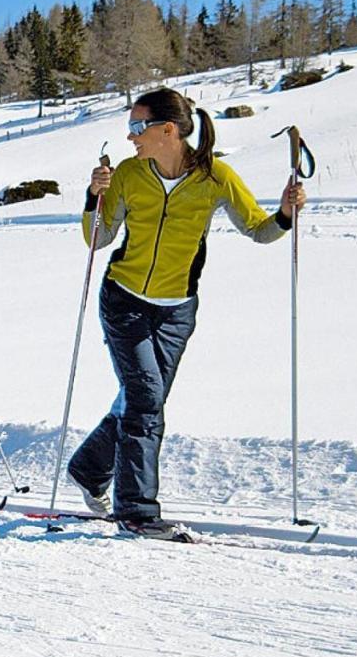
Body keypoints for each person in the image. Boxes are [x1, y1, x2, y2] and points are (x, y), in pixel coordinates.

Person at [67, 87, 306, 539]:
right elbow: (97, 240)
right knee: (144, 402)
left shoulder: (215, 177)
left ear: (168, 130)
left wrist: (286, 214)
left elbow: (258, 230)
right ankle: (136, 510)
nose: (131, 137)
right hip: (123, 302)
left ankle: (87, 469)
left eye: (138, 127)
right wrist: (91, 197)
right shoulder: (128, 175)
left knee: (143, 401)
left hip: (177, 312)